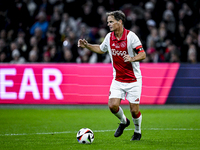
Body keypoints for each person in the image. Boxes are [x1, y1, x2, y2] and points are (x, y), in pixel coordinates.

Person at [78, 10, 146, 141]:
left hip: (133, 80)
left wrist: (132, 58)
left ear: (119, 22)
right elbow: (101, 49)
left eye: (111, 21)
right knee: (112, 105)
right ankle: (124, 121)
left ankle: (137, 132)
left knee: (134, 110)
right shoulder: (109, 37)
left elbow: (143, 55)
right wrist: (87, 46)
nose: (108, 24)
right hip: (118, 79)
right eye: (108, 22)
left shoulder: (131, 37)